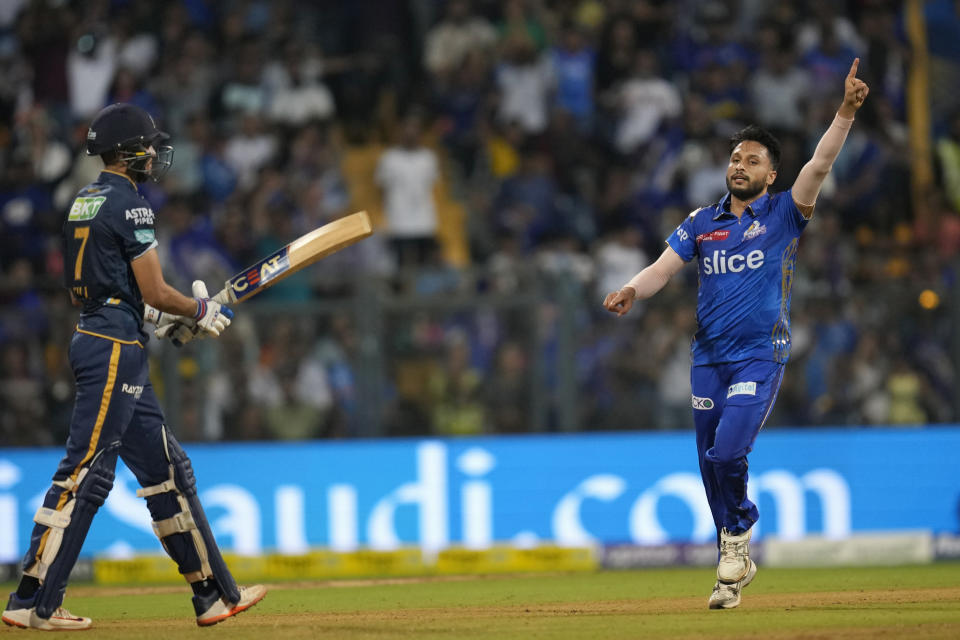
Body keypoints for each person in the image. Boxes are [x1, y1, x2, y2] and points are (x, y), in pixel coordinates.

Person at [603, 60, 869, 609]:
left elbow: (819, 164)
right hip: (708, 358)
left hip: (759, 356)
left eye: (752, 159)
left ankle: (738, 529)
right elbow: (661, 270)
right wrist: (632, 288)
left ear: (771, 175)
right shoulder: (703, 221)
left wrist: (844, 111)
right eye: (734, 158)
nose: (739, 164)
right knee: (707, 458)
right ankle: (732, 566)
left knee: (727, 454)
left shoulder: (785, 214)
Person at [1, 103, 266, 631]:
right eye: (147, 147)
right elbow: (156, 288)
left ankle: (213, 595)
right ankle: (32, 601)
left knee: (168, 470)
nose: (154, 156)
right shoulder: (132, 206)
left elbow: (107, 285)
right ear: (128, 153)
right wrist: (197, 311)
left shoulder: (83, 200)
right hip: (113, 348)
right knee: (87, 471)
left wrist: (155, 319)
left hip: (106, 335)